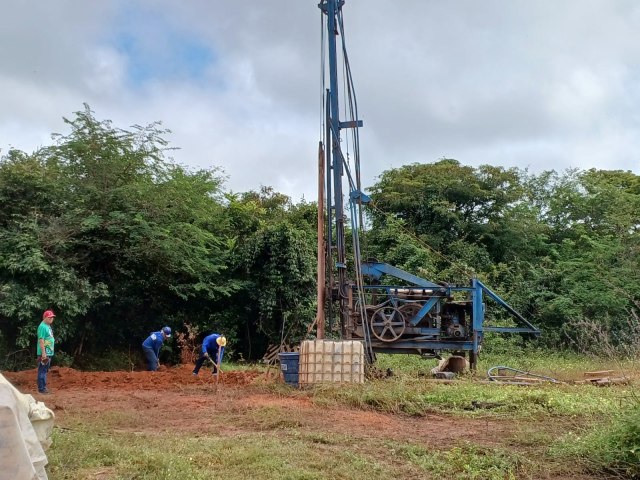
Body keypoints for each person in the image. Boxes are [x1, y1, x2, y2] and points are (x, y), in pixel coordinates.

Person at [36, 309, 56, 394]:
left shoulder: (47, 325)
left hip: (48, 352)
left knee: (44, 370)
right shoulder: (43, 326)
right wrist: (43, 353)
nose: (51, 319)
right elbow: (41, 340)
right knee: (42, 370)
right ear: (44, 317)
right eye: (49, 317)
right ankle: (42, 389)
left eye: (52, 317)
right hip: (44, 353)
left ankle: (43, 387)